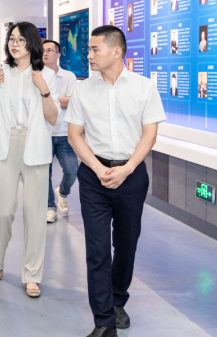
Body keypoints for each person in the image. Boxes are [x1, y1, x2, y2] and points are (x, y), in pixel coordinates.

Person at [65, 25, 165, 337]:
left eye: (95, 49)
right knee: (97, 250)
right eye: (89, 49)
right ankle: (104, 322)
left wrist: (128, 168)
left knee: (126, 244)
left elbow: (150, 134)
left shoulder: (144, 87)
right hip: (93, 176)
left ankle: (118, 298)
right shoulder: (83, 89)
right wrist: (97, 168)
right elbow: (74, 135)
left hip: (131, 176)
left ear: (116, 51)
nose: (89, 55)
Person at [0, 22, 59, 298]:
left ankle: (32, 274)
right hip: (5, 144)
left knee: (35, 213)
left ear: (31, 43)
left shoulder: (46, 75)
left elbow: (53, 118)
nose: (14, 44)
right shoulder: (0, 71)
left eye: (20, 40)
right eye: (11, 39)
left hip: (35, 145)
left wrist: (44, 90)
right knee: (1, 210)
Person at [42, 40, 79, 223]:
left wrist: (47, 100)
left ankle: (62, 192)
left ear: (58, 55)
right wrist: (59, 101)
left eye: (49, 50)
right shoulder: (37, 76)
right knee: (44, 174)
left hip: (64, 132)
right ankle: (50, 207)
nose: (45, 53)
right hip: (43, 132)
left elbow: (72, 101)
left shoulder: (69, 76)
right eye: (42, 50)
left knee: (72, 170)